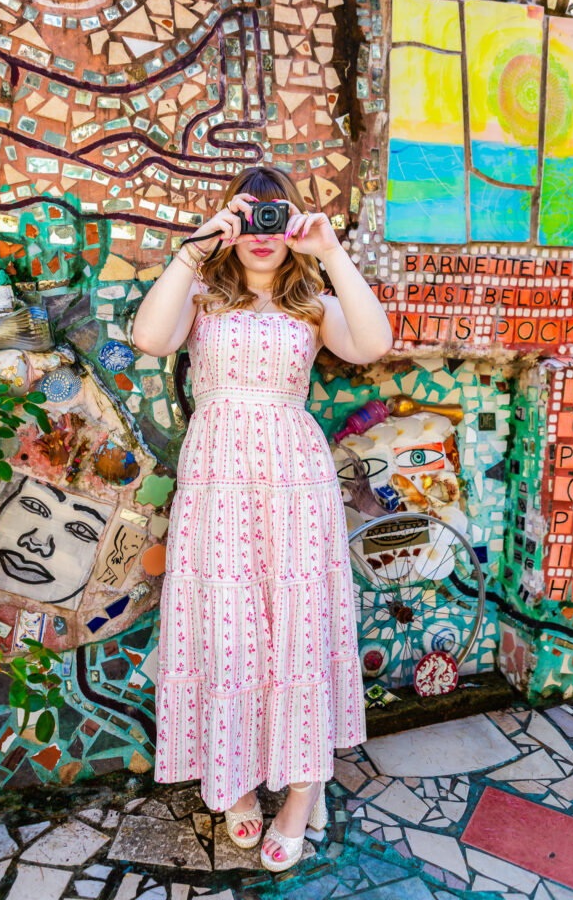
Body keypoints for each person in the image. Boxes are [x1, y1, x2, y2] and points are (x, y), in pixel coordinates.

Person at [132, 165, 393, 872]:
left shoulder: (311, 303)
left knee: (296, 632)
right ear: (230, 223)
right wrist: (193, 248)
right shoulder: (202, 293)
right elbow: (150, 339)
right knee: (229, 632)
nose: (260, 232)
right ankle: (235, 781)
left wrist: (331, 253)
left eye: (274, 217)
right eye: (248, 215)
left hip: (293, 486)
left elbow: (371, 344)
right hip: (217, 489)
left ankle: (303, 793)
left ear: (292, 226)